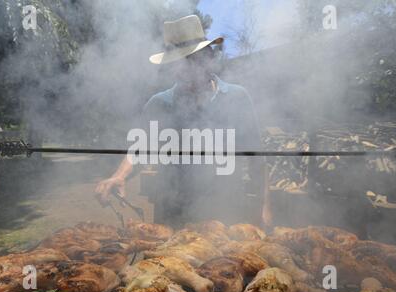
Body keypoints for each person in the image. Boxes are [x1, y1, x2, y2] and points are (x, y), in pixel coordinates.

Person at [95, 15, 272, 228]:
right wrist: (119, 176)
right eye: (181, 62)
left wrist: (263, 207)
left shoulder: (237, 97)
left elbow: (256, 159)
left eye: (194, 60)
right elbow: (140, 150)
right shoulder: (159, 104)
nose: (187, 69)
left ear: (209, 58)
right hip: (172, 219)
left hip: (225, 217)